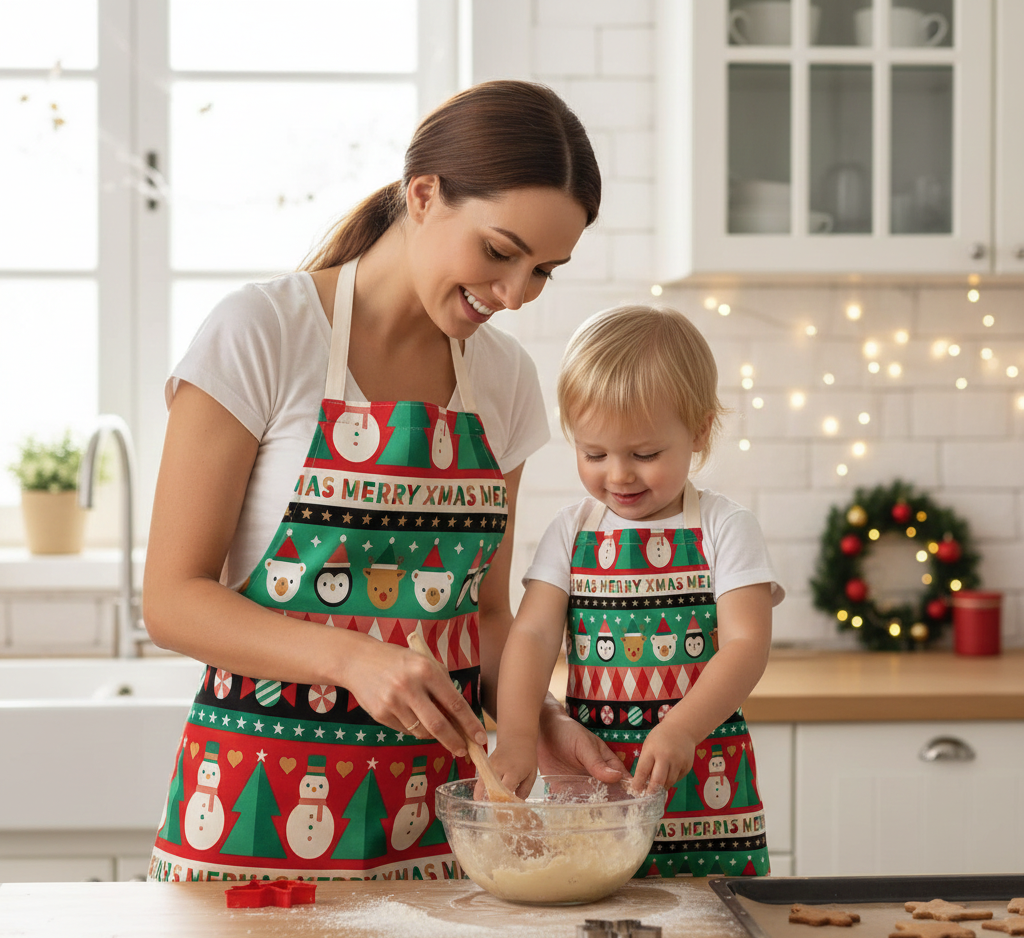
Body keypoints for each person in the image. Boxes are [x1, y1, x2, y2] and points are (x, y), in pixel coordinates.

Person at [143, 80, 622, 884]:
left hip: (438, 833)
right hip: (253, 822)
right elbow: (172, 599)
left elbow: (486, 617)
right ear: (424, 194)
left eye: (544, 271)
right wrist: (350, 659)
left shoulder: (502, 380)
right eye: (500, 252)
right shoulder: (264, 332)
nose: (512, 296)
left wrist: (534, 717)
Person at [490, 304, 785, 878]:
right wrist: (520, 734)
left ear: (699, 431)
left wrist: (681, 729)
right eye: (594, 453)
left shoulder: (724, 527)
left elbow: (746, 644)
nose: (619, 475)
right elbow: (531, 632)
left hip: (701, 776)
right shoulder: (573, 530)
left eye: (645, 454)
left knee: (713, 912)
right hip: (595, 784)